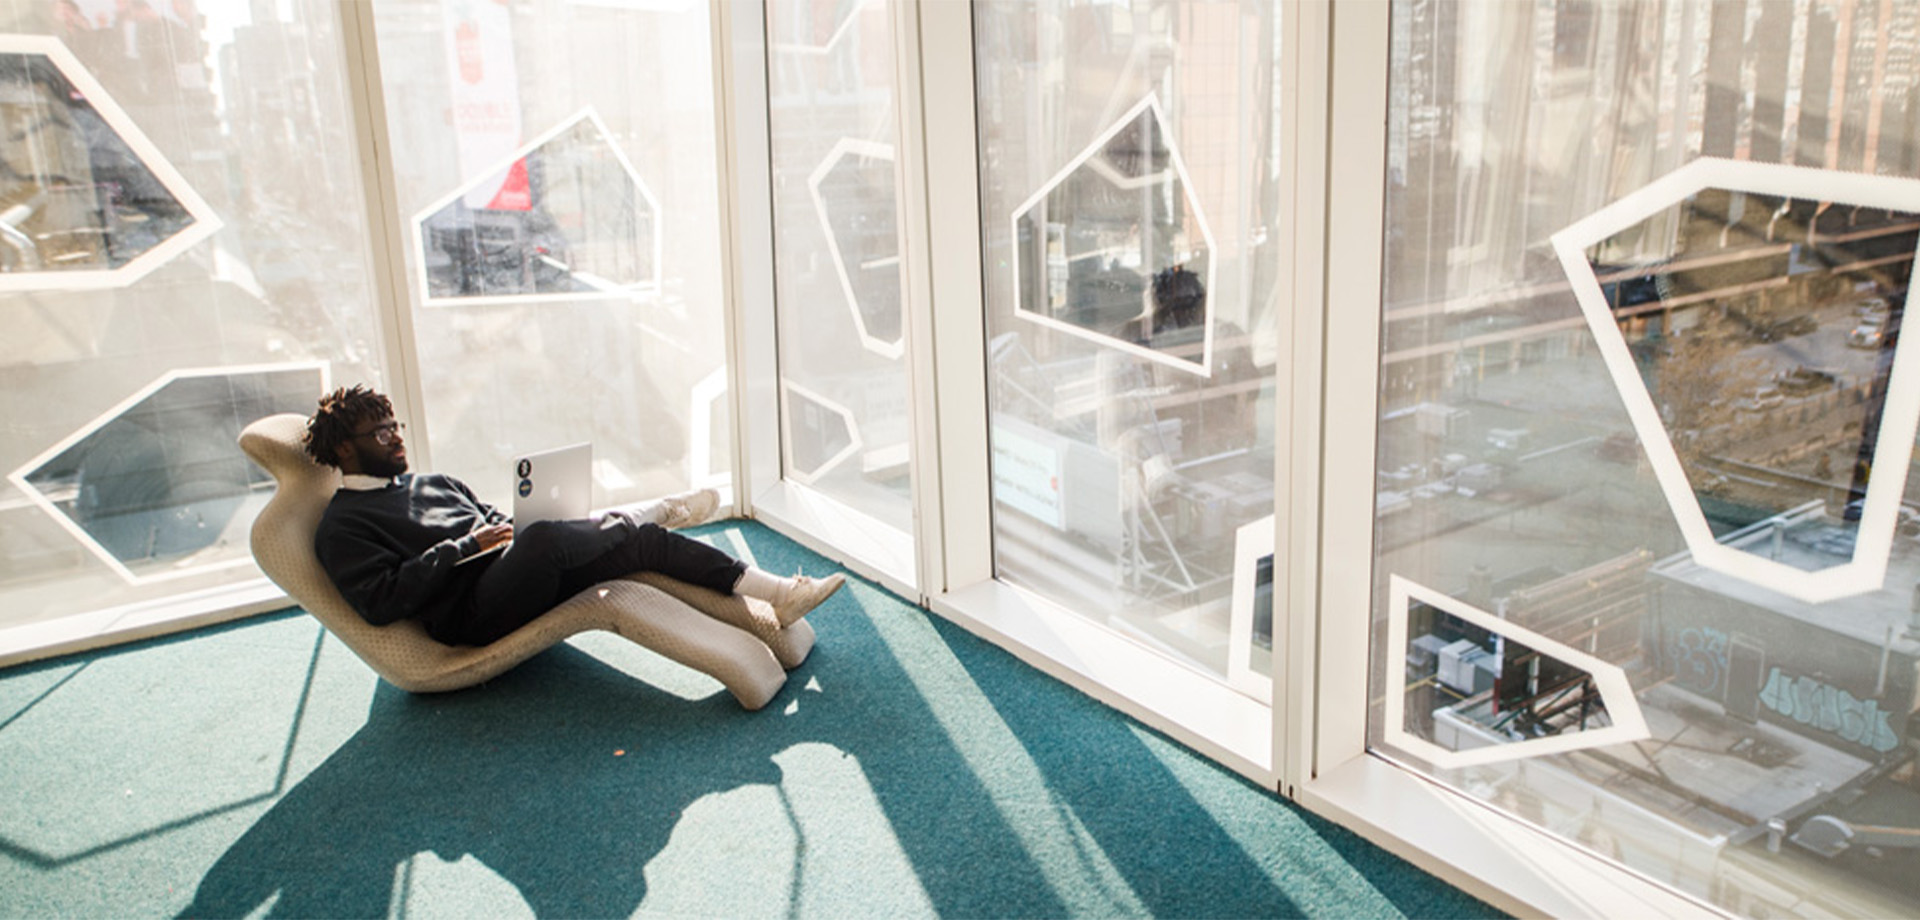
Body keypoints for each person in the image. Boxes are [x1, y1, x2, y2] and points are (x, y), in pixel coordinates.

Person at [304, 385, 843, 647]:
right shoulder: (343, 526)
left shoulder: (433, 482)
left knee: (642, 545)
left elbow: (496, 522)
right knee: (550, 538)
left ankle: (780, 594)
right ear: (345, 450)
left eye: (395, 426)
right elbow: (379, 602)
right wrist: (467, 547)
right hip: (471, 614)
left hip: (518, 573)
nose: (395, 437)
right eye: (380, 432)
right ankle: (636, 515)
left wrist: (515, 526)